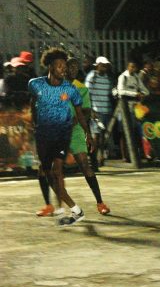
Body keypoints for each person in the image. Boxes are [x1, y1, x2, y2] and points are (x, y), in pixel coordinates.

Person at [37, 57, 111, 217]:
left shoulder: (81, 88)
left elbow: (86, 111)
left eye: (76, 67)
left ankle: (100, 202)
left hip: (75, 131)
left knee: (85, 165)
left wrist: (82, 125)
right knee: (43, 169)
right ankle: (49, 205)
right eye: (70, 66)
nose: (73, 69)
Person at [29, 48, 92, 226]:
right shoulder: (35, 84)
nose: (63, 69)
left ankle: (70, 209)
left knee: (56, 171)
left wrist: (88, 133)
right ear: (50, 67)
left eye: (64, 66)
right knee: (45, 171)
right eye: (59, 66)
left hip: (62, 134)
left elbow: (80, 114)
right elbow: (33, 102)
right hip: (44, 134)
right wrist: (35, 121)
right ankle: (71, 210)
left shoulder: (70, 89)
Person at [85, 56, 114, 166]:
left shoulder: (108, 78)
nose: (104, 67)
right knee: (95, 136)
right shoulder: (92, 76)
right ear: (97, 65)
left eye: (106, 65)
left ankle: (100, 157)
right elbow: (87, 94)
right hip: (96, 111)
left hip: (107, 110)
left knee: (103, 136)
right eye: (102, 65)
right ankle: (94, 160)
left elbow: (110, 93)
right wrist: (91, 110)